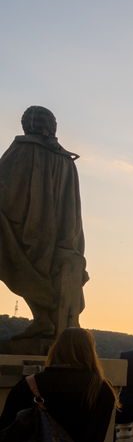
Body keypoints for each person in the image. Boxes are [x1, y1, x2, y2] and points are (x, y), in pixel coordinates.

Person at [0, 107, 87, 340]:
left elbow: (5, 189)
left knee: (24, 267)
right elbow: (73, 207)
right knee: (39, 273)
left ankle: (42, 319)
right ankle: (43, 320)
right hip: (62, 234)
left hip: (31, 229)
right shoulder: (66, 159)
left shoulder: (23, 149)